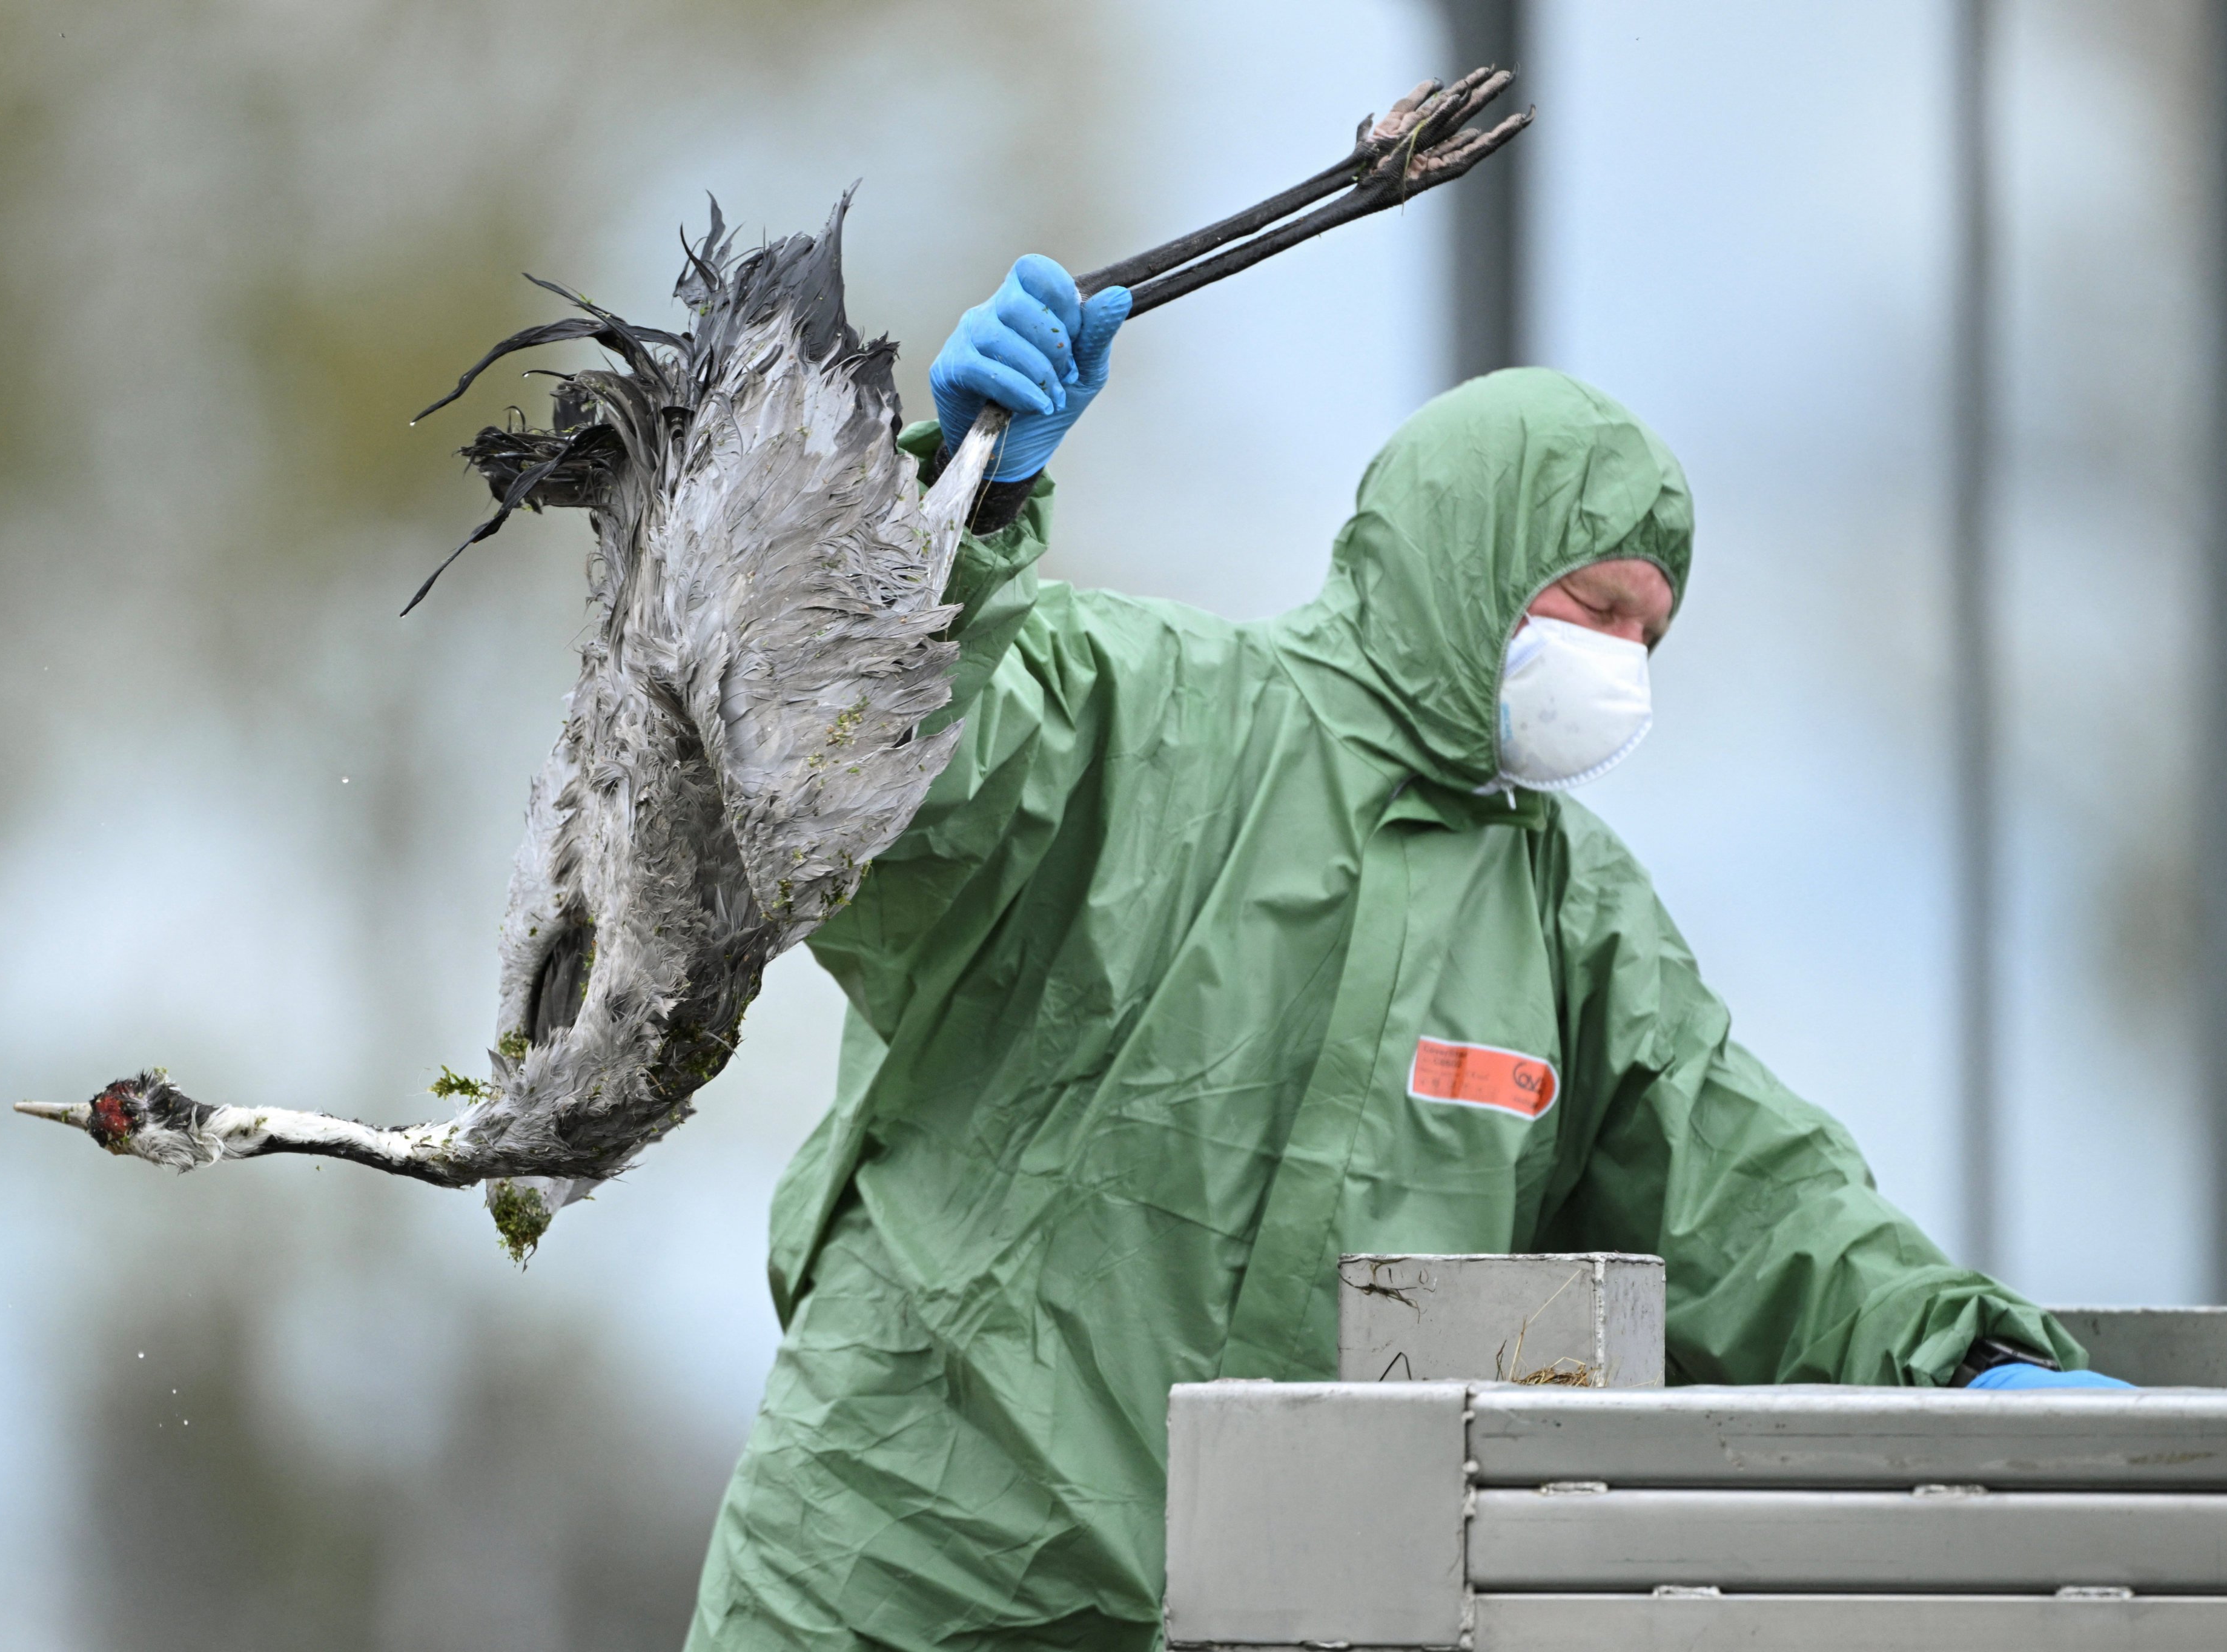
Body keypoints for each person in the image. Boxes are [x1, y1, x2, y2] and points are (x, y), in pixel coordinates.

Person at [684, 257, 2123, 1652]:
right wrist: (967, 500)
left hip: (1268, 1615)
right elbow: (868, 781)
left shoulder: (1567, 918)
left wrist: (1964, 1359)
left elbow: (1751, 1199)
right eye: (1594, 604)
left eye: (1648, 634)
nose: (1620, 664)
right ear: (1470, 549)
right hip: (897, 1583)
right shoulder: (1140, 710)